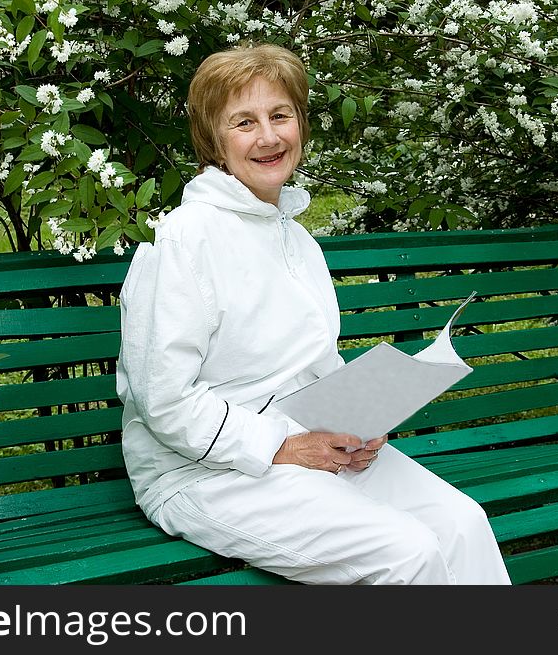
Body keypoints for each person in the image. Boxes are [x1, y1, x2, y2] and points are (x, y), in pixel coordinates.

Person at [115, 43, 511, 585]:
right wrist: (279, 445)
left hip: (308, 447)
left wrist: (359, 425)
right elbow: (162, 397)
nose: (269, 137)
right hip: (203, 471)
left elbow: (312, 364)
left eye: (281, 115)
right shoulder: (181, 240)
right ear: (213, 138)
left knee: (463, 523)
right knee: (408, 551)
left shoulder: (296, 238)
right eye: (244, 122)